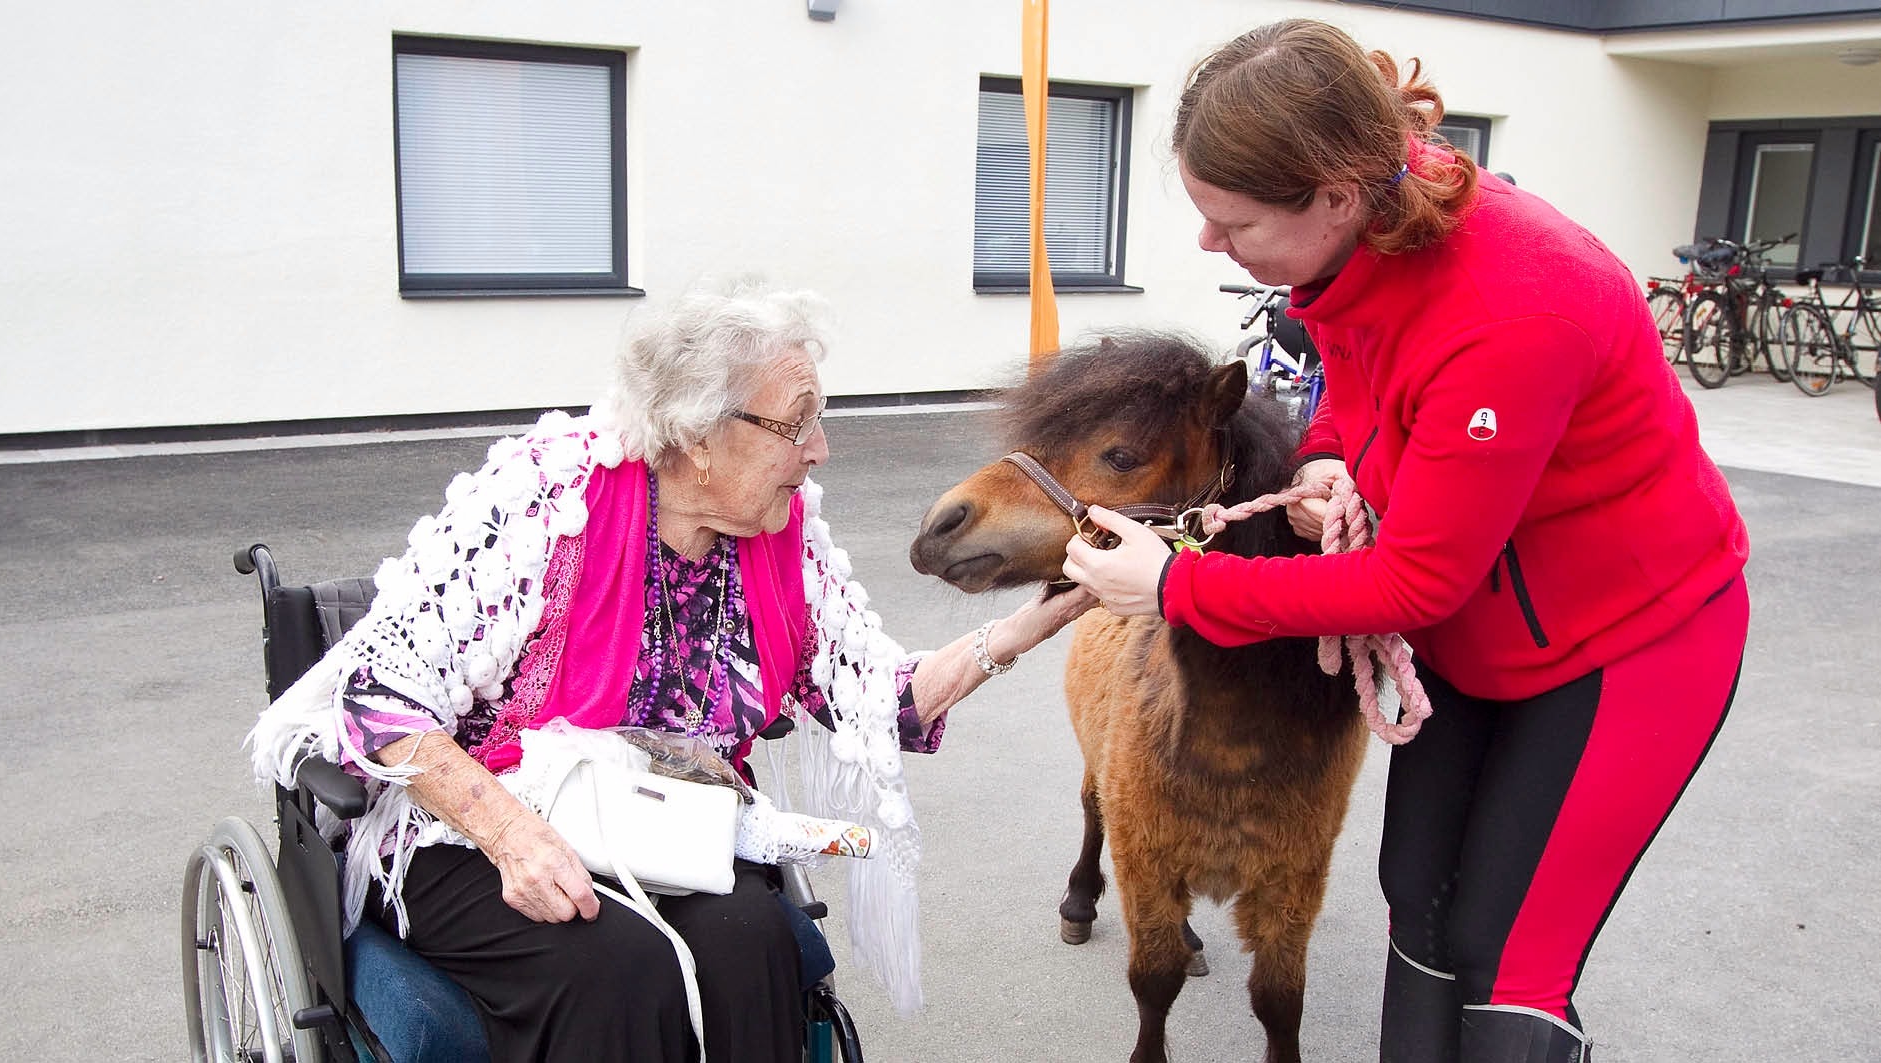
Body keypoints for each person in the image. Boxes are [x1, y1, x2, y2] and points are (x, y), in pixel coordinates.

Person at [1063, 20, 1748, 1063]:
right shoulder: (1368, 222)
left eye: (1232, 221)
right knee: (1416, 904)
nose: (1211, 243)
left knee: (1507, 951)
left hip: (1624, 647)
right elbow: (1354, 368)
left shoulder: (1517, 309)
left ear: (1332, 195)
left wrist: (1177, 587)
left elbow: (1413, 581)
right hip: (1481, 627)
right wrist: (1327, 455)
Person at [250, 276, 1095, 1063]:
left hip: (662, 820)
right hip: (481, 829)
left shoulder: (780, 533)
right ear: (696, 435)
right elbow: (376, 695)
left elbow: (881, 700)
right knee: (614, 970)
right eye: (797, 422)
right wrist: (514, 834)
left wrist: (1033, 620)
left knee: (753, 938)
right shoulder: (549, 493)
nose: (820, 449)